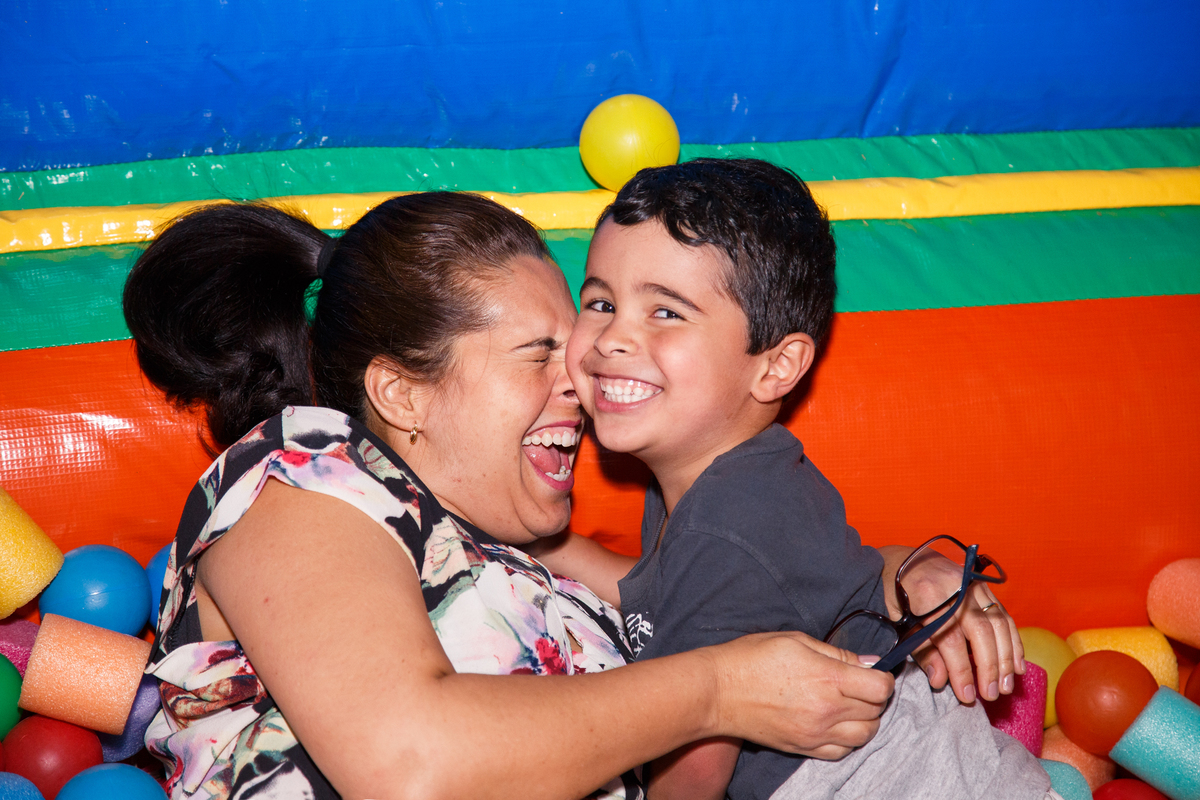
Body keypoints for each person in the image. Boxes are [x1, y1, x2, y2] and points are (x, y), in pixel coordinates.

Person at [122, 192, 911, 800]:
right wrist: (718, 691)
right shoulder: (297, 481)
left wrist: (906, 577)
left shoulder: (507, 549)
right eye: (540, 354)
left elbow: (723, 580)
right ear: (402, 394)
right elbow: (408, 761)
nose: (584, 374)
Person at [536, 159, 1047, 799]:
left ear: (777, 368)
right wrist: (546, 546)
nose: (612, 337)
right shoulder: (739, 476)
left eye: (665, 312)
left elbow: (691, 772)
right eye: (602, 302)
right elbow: (659, 595)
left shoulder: (731, 525)